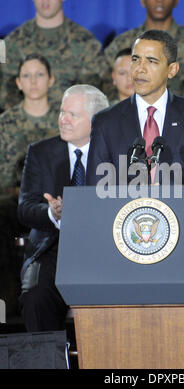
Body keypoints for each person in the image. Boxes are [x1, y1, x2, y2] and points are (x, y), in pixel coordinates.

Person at [17, 84, 109, 332]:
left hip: (105, 250)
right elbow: (25, 208)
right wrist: (52, 213)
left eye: (73, 115)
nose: (63, 120)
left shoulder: (114, 153)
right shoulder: (40, 152)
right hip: (52, 248)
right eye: (61, 112)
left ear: (97, 120)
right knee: (36, 298)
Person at [86, 29, 184, 187]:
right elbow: (95, 189)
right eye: (135, 59)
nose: (140, 68)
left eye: (151, 61)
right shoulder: (105, 122)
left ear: (172, 70)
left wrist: (171, 195)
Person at [100, 0, 184, 105]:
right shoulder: (123, 42)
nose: (159, 1)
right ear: (142, 1)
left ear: (176, 1)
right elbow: (105, 82)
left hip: (183, 120)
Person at [0, 0, 103, 112]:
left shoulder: (86, 42)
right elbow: (6, 93)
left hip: (72, 122)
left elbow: (94, 94)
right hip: (24, 124)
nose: (45, 1)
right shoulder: (12, 43)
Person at [0, 54, 58, 195]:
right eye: (26, 76)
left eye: (39, 74)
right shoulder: (4, 123)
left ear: (51, 80)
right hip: (10, 202)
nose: (33, 81)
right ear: (18, 82)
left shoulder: (66, 120)